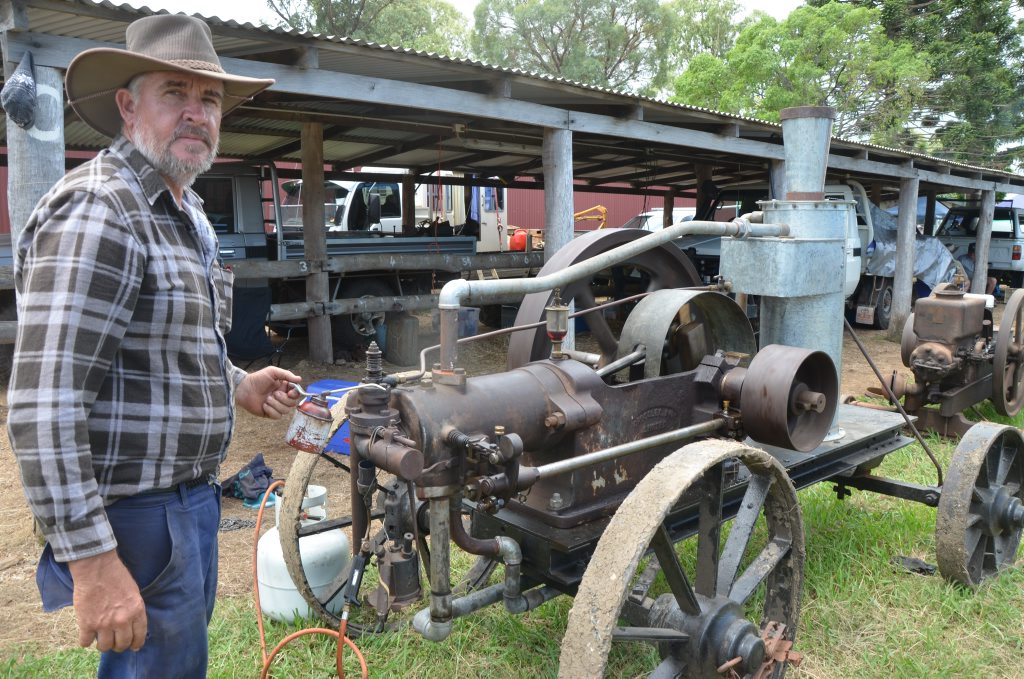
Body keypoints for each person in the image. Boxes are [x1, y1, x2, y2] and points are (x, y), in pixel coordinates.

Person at [6, 15, 303, 677]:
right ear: (127, 105)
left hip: (190, 504)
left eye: (211, 98)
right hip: (136, 519)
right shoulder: (101, 210)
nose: (197, 113)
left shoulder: (185, 210)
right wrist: (91, 562)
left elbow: (179, 343)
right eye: (176, 92)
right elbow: (42, 407)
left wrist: (237, 382)